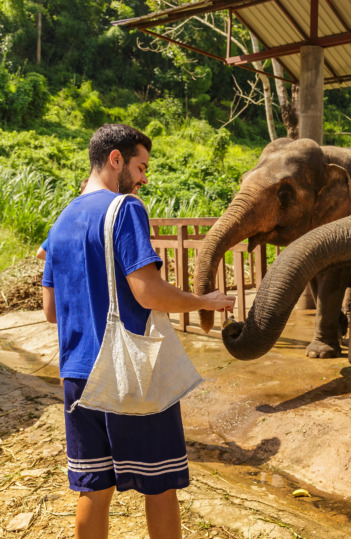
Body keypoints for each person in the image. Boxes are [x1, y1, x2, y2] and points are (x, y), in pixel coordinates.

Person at [42, 124, 235, 539]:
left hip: (76, 375)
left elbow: (51, 312)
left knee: (94, 488)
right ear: (116, 160)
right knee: (159, 484)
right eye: (141, 166)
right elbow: (147, 293)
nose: (144, 178)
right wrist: (205, 302)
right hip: (129, 372)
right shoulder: (125, 208)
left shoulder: (60, 222)